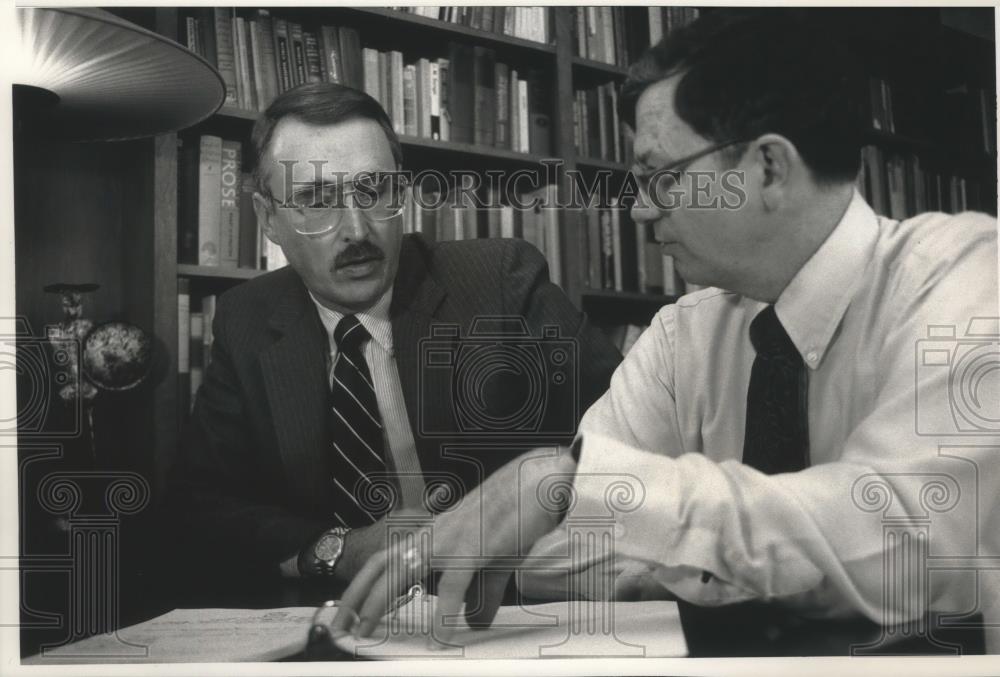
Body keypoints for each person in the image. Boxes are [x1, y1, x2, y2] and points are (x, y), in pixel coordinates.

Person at [333, 9, 999, 648]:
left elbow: (906, 540)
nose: (641, 211)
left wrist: (593, 495)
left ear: (767, 167)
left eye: (660, 176)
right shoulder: (683, 335)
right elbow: (545, 549)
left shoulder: (966, 275)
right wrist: (693, 550)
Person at [164, 82, 621, 588]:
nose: (357, 231)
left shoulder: (501, 284)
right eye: (316, 201)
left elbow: (629, 448)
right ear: (268, 218)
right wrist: (336, 548)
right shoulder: (245, 318)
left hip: (505, 611)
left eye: (373, 191)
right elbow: (201, 510)